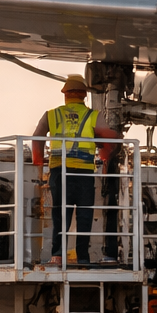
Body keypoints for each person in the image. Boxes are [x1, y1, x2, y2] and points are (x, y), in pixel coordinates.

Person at [31, 75, 117, 266]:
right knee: (84, 216)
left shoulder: (52, 115)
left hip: (59, 172)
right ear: (84, 95)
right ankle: (83, 257)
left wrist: (38, 162)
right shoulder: (93, 116)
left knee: (61, 214)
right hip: (83, 173)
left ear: (65, 95)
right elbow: (108, 137)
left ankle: (58, 255)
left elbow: (37, 137)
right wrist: (105, 155)